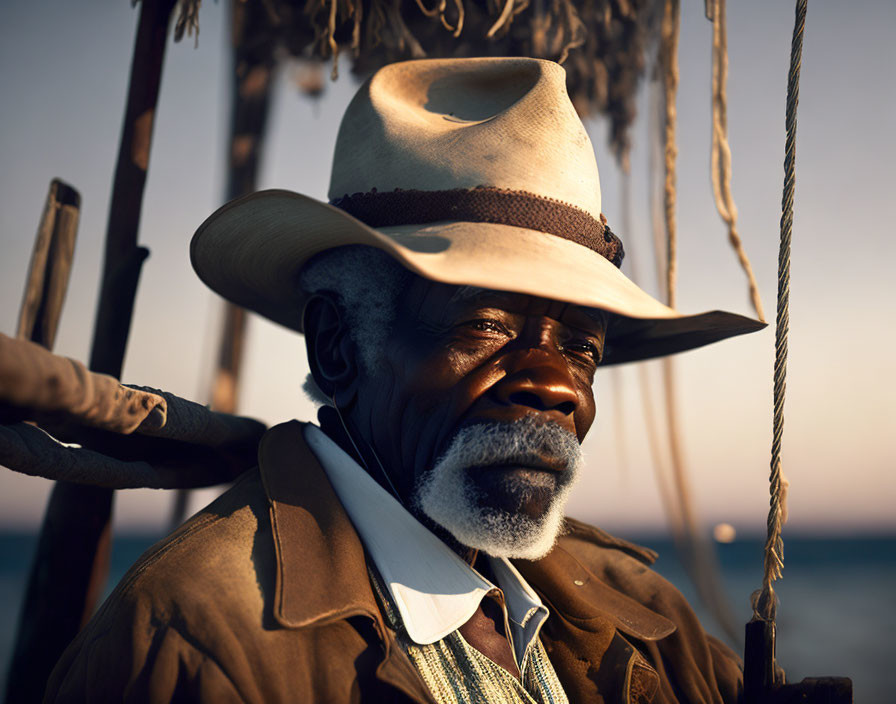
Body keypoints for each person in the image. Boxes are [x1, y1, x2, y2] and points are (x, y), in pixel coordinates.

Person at [45, 57, 764, 703]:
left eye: (580, 347)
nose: (558, 387)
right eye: (484, 323)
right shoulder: (194, 642)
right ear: (336, 346)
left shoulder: (644, 614)